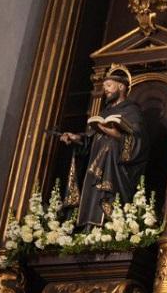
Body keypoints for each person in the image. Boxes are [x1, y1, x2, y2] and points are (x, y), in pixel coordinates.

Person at [59, 64, 146, 227]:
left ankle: (108, 227)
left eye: (109, 85)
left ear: (121, 86)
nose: (105, 89)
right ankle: (87, 227)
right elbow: (90, 138)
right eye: (105, 86)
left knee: (111, 149)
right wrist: (76, 138)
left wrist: (111, 132)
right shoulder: (104, 112)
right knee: (92, 196)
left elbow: (136, 141)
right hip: (95, 165)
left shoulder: (132, 110)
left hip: (114, 169)